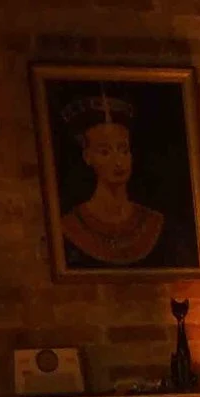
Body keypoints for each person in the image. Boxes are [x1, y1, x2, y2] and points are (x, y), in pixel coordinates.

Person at [57, 93, 165, 268]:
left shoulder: (152, 221)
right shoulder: (72, 225)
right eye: (105, 152)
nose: (118, 162)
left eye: (123, 150)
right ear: (88, 156)